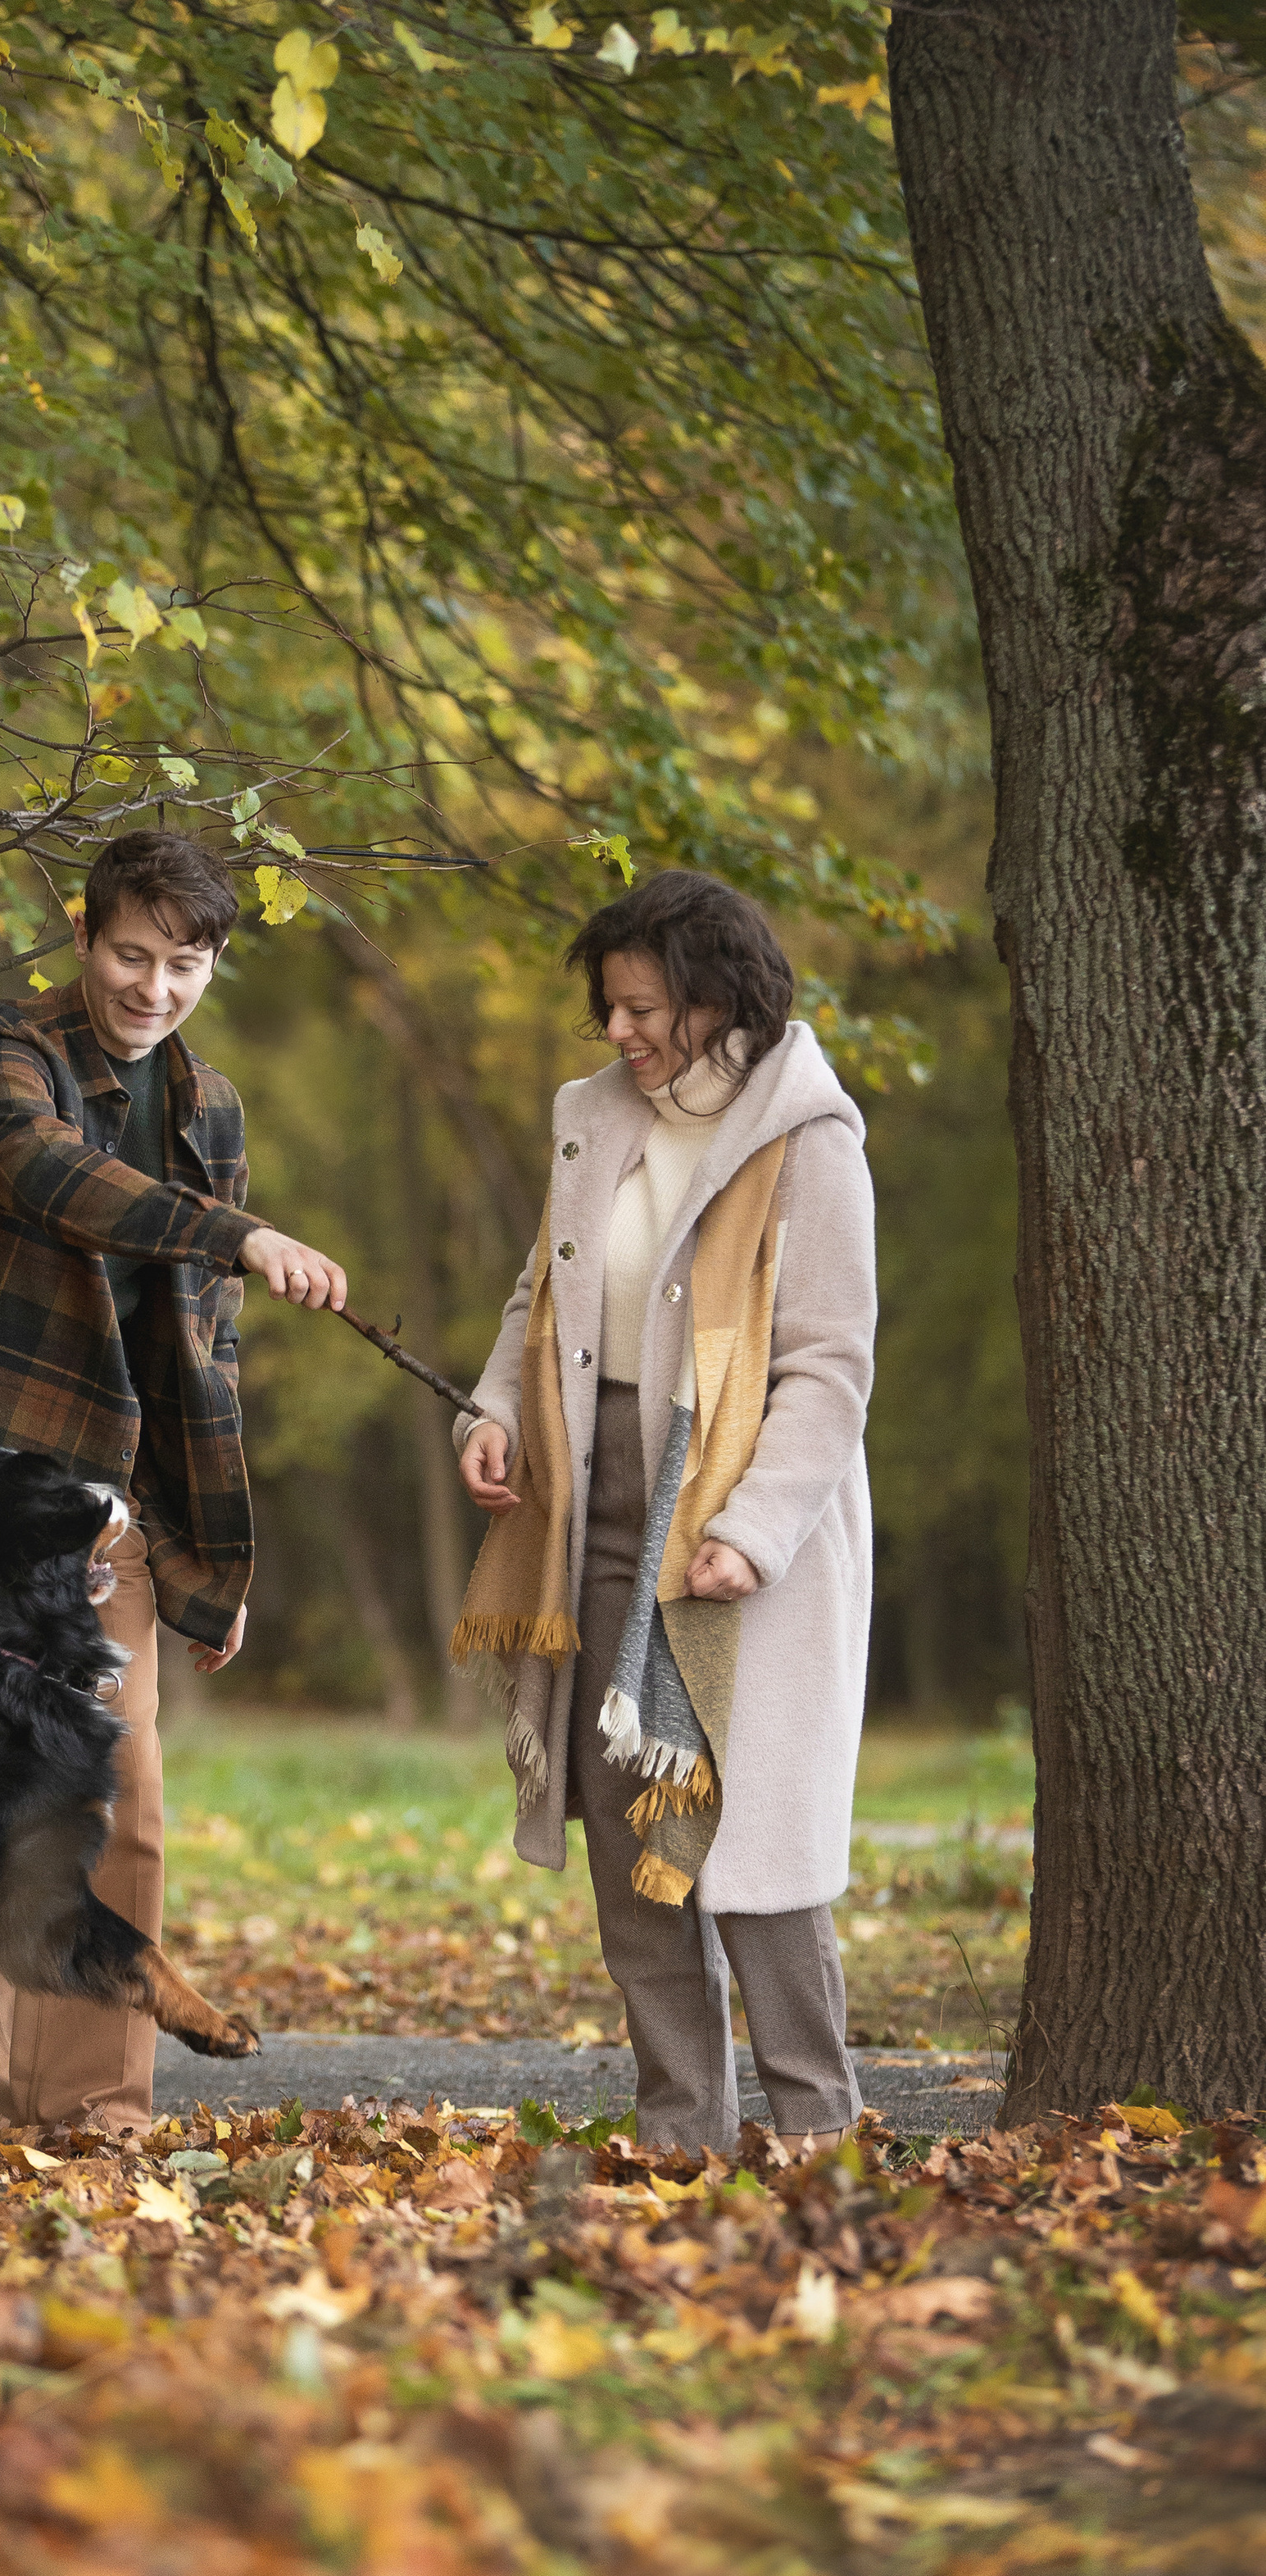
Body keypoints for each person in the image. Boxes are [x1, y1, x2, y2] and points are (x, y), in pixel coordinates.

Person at [0, 829, 346, 2134]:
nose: (154, 986)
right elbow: (64, 1185)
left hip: (100, 1521)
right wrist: (235, 1229)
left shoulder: (209, 1108)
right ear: (83, 933)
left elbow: (198, 1358)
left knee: (112, 1803)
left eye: (186, 964)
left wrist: (207, 1563)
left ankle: (98, 2117)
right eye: (132, 952)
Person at [453, 870, 874, 2156]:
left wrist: (752, 1528)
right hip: (593, 1508)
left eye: (642, 1008)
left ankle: (815, 2130)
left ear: (715, 998)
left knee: (747, 1847)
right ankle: (680, 2132)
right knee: (629, 1829)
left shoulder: (809, 1137)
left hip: (745, 1529)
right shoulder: (596, 1118)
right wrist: (495, 1411)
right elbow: (546, 1295)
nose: (622, 1034)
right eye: (611, 1011)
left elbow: (827, 1364)